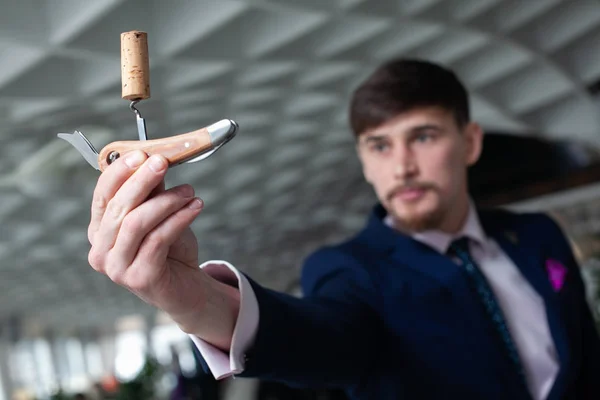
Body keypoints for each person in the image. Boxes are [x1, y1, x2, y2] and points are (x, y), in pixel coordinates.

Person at [86, 58, 600, 400]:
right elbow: (323, 337)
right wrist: (194, 301)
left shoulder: (537, 236)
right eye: (379, 145)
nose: (401, 166)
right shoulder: (349, 271)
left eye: (422, 137)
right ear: (362, 160)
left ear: (469, 143)